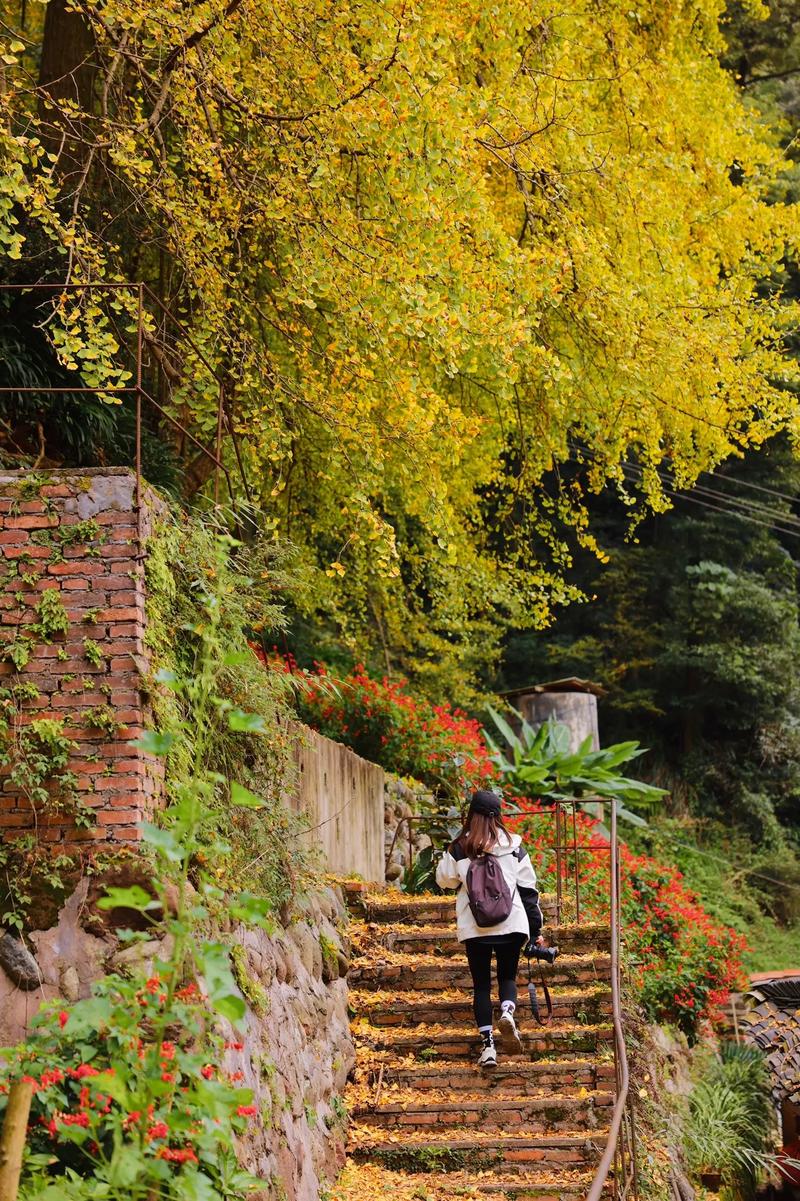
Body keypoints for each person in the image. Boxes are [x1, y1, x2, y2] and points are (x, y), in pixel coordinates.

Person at [435, 788, 544, 1068]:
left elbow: (443, 880)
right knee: (507, 978)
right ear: (498, 815)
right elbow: (529, 891)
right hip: (513, 924)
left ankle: (488, 1049)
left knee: (481, 986)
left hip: (476, 926)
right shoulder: (515, 845)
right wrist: (536, 931)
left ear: (472, 814)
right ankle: (507, 1011)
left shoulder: (460, 847)